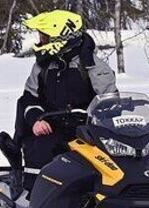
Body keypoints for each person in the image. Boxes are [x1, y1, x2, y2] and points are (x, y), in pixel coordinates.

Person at [14, 10, 117, 182]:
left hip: (88, 132)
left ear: (59, 37)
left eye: (44, 37)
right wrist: (35, 119)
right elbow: (28, 98)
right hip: (52, 128)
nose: (41, 41)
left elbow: (111, 102)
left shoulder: (94, 67)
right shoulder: (43, 66)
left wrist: (96, 119)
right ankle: (34, 198)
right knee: (40, 148)